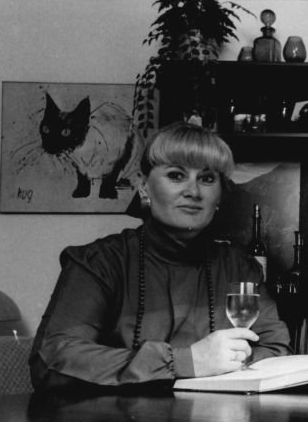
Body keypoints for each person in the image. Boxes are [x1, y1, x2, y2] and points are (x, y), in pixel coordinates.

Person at [31, 121, 291, 391]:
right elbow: (53, 359)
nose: (193, 191)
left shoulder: (239, 268)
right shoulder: (99, 262)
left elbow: (276, 348)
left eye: (207, 178)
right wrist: (186, 362)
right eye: (176, 175)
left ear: (220, 196)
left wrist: (229, 359)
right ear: (144, 187)